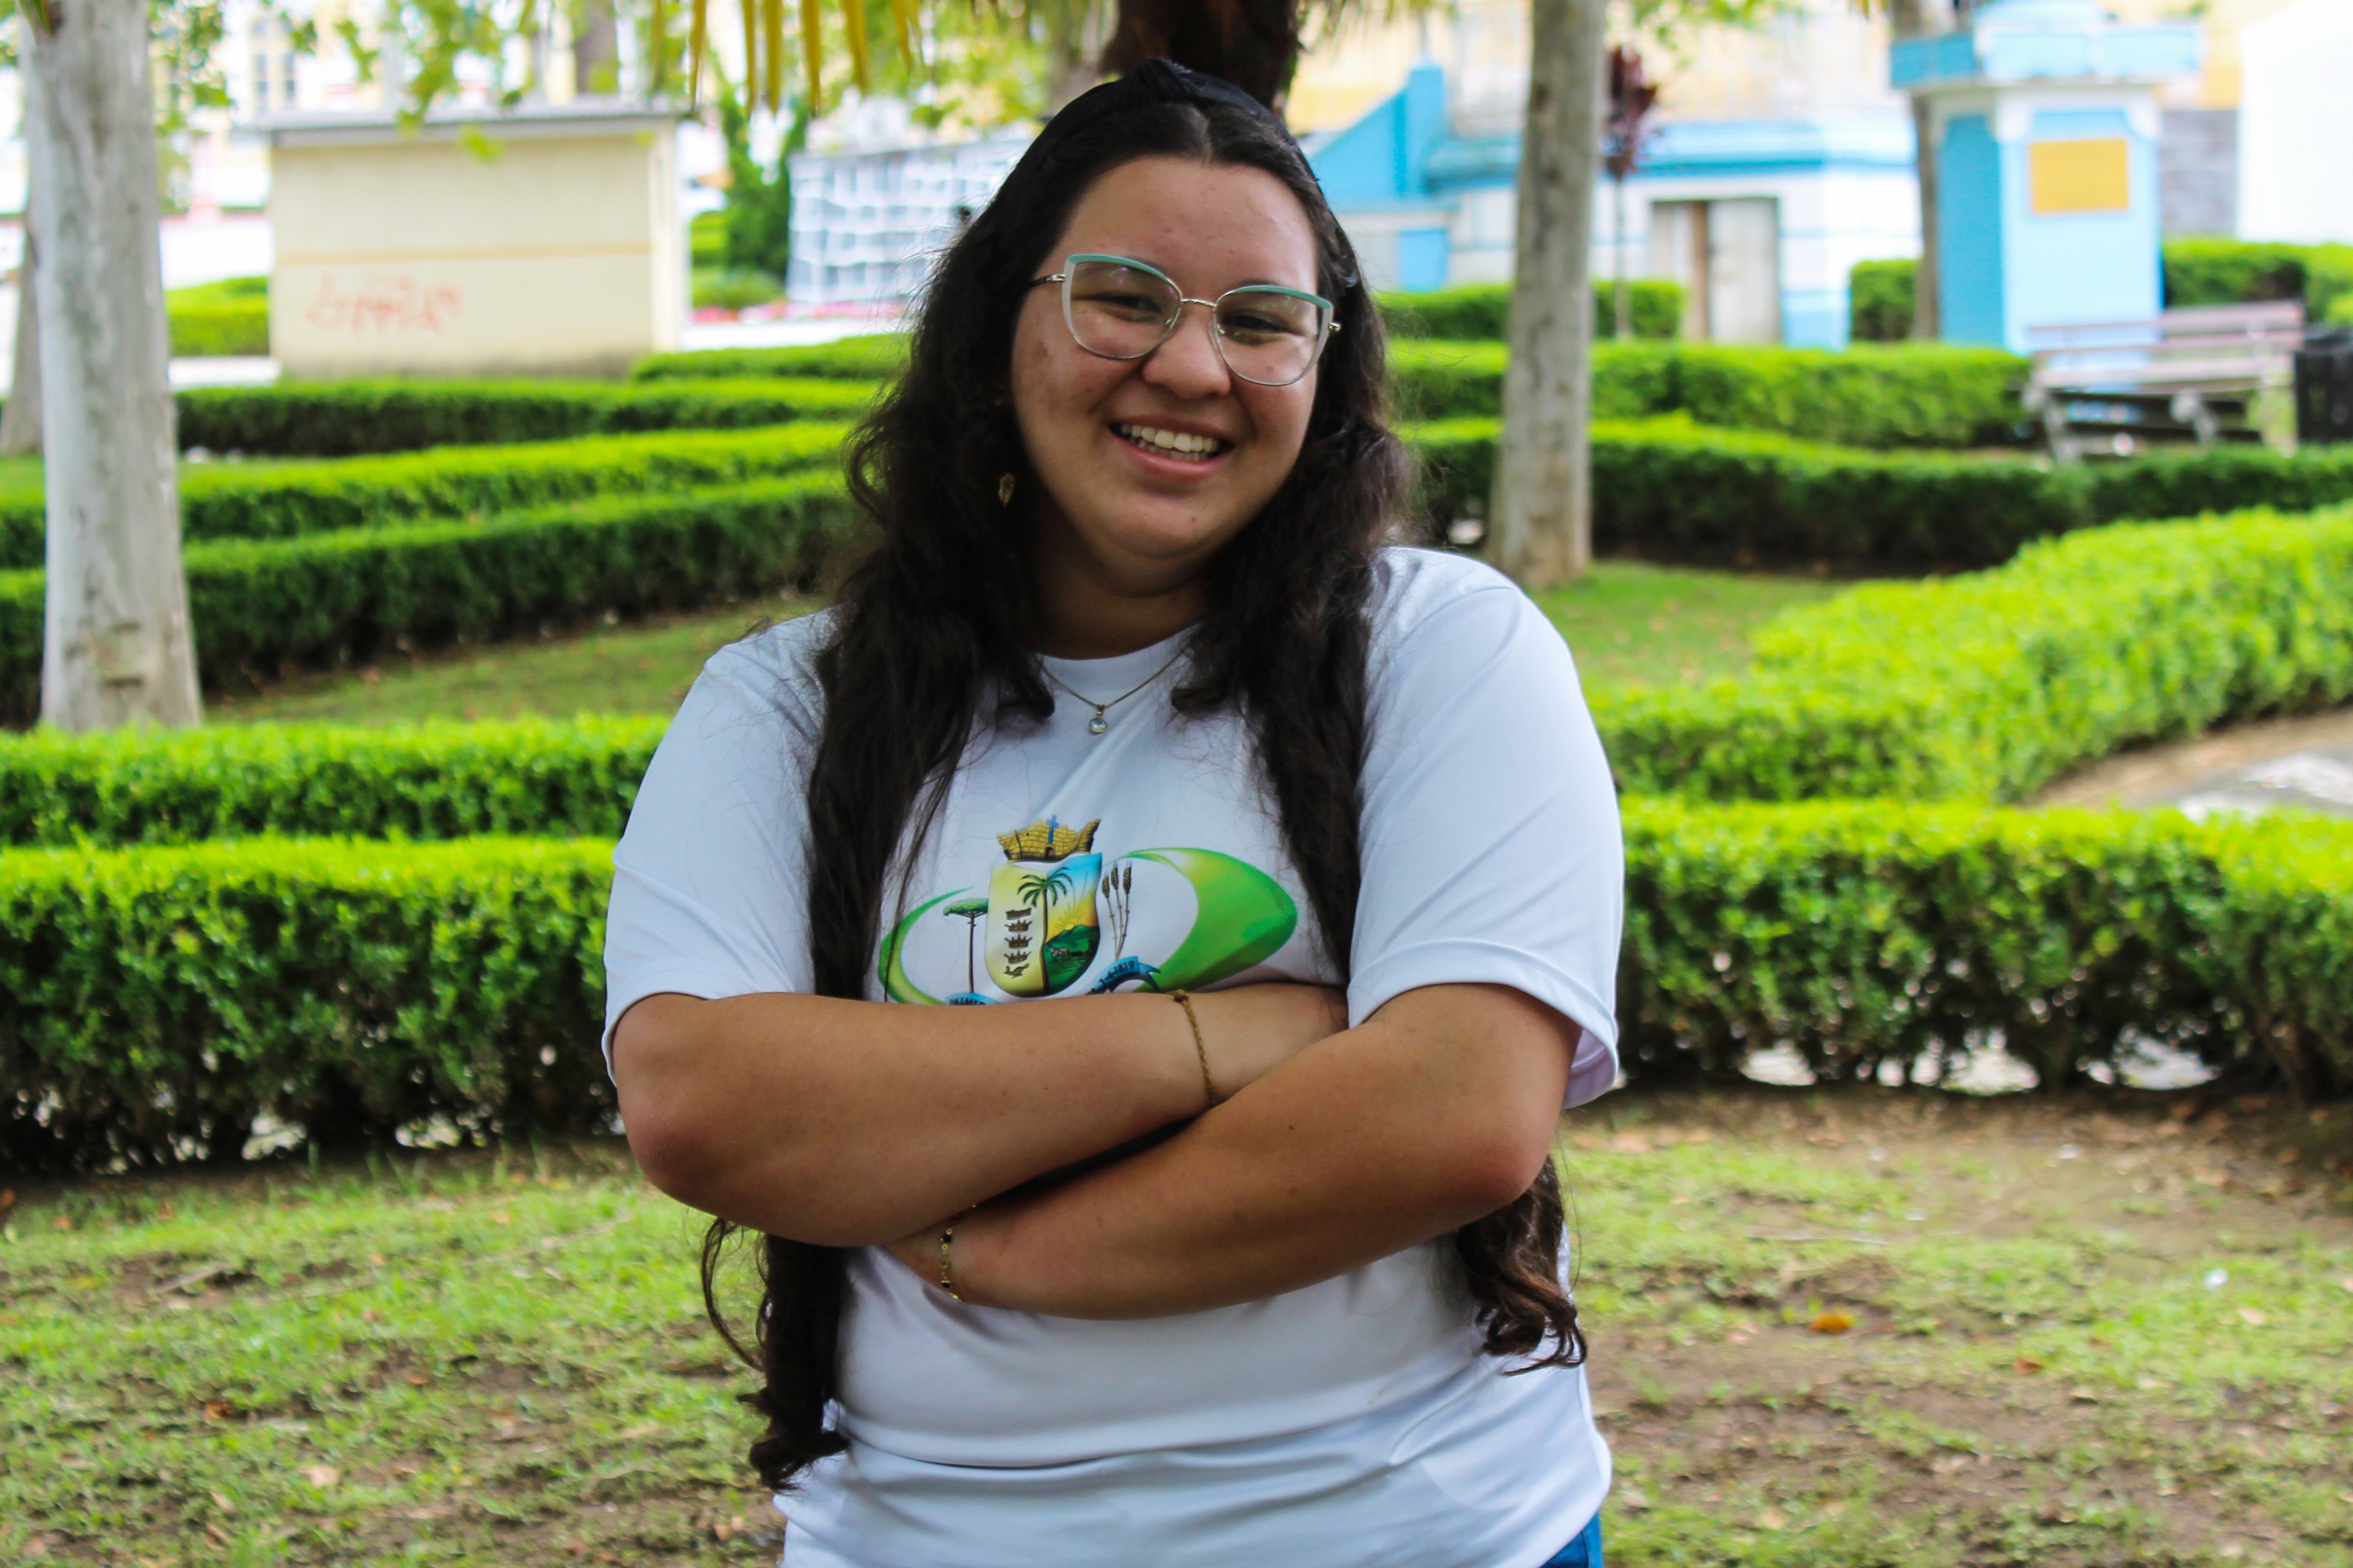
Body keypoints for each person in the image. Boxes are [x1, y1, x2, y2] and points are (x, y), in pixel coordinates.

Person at [603, 59, 1624, 1568]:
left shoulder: (1443, 651)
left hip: (1425, 1532)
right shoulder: (784, 710)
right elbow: (705, 1100)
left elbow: (1454, 1116)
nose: (1192, 367)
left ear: (1324, 366)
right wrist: (1224, 1038)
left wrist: (990, 1245)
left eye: (1261, 321)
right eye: (1124, 299)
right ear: (997, 329)